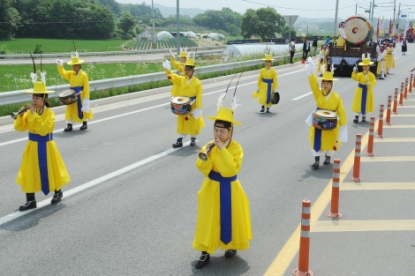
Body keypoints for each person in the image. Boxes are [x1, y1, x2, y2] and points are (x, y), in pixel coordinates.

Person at [193, 107, 252, 269]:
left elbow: (232, 169)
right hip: (211, 186)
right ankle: (205, 252)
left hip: (230, 187)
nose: (218, 135)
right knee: (207, 219)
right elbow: (202, 167)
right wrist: (207, 156)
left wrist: (222, 150)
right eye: (216, 130)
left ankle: (231, 245)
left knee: (232, 217)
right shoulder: (208, 146)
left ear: (230, 132)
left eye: (222, 131)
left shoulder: (236, 148)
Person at [14, 80, 70, 211]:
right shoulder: (29, 112)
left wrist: (33, 114)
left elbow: (45, 129)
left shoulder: (49, 113)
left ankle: (58, 192)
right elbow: (20, 128)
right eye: (33, 97)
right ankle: (30, 200)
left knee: (51, 169)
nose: (34, 100)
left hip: (47, 145)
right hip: (32, 146)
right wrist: (21, 117)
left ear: (44, 99)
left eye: (37, 98)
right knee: (29, 171)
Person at [304, 57, 347, 170]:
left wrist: (343, 124)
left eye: (328, 83)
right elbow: (313, 85)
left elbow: (341, 111)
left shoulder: (336, 97)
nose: (325, 84)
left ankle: (328, 157)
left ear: (332, 84)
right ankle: (316, 161)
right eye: (324, 82)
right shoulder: (318, 93)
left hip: (331, 122)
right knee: (316, 140)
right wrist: (311, 72)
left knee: (330, 141)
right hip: (318, 121)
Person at [163, 57, 205, 148]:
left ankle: (193, 138)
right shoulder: (181, 79)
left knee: (192, 123)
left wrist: (198, 108)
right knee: (181, 122)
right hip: (182, 106)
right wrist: (167, 69)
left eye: (189, 70)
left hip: (192, 106)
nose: (186, 71)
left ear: (193, 70)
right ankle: (179, 141)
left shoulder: (197, 83)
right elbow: (172, 77)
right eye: (185, 69)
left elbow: (199, 97)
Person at [56, 51, 93, 132]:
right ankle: (69, 125)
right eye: (73, 65)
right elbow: (63, 73)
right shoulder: (71, 74)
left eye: (75, 65)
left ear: (79, 65)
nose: (73, 67)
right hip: (71, 94)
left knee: (81, 109)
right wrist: (60, 66)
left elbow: (86, 87)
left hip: (81, 95)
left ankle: (84, 123)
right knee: (70, 109)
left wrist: (86, 98)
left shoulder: (84, 75)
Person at [351, 58, 377, 123]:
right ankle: (356, 116)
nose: (365, 67)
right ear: (362, 67)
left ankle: (364, 116)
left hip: (367, 90)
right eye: (364, 66)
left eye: (367, 66)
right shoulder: (360, 74)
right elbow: (355, 78)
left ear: (369, 66)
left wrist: (370, 84)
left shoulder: (371, 75)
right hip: (360, 90)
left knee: (366, 103)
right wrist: (354, 72)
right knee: (358, 103)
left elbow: (374, 82)